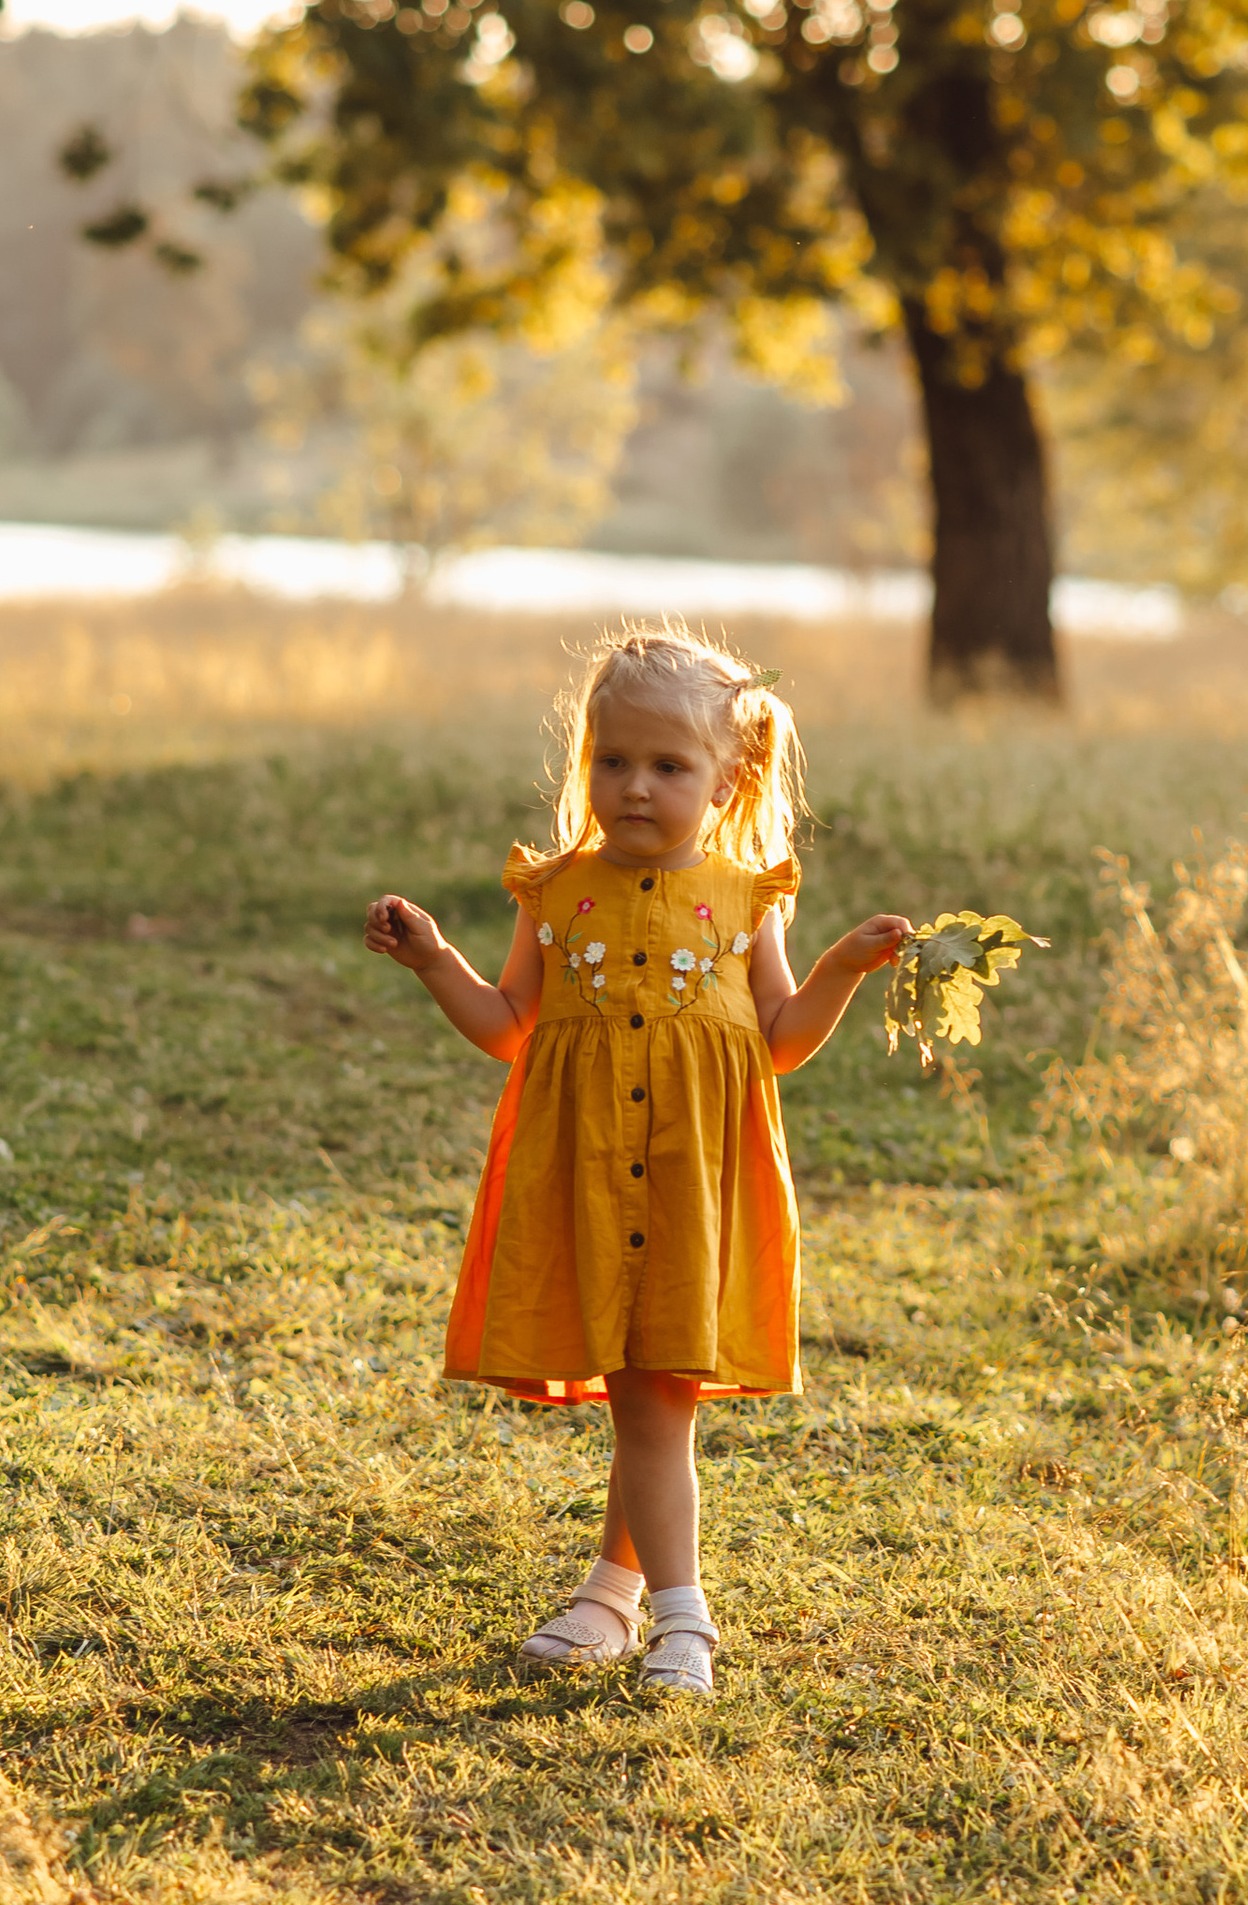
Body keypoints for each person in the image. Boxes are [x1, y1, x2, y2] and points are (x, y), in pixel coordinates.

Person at [364, 624, 911, 1698]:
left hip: (697, 1179)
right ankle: (635, 1605)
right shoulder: (556, 890)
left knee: (653, 1398)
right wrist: (436, 960)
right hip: (586, 1170)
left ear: (728, 775)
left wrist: (844, 964)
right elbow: (508, 1022)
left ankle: (671, 1619)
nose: (636, 788)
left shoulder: (748, 897)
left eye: (669, 766)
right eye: (612, 760)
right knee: (644, 1397)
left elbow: (781, 1041)